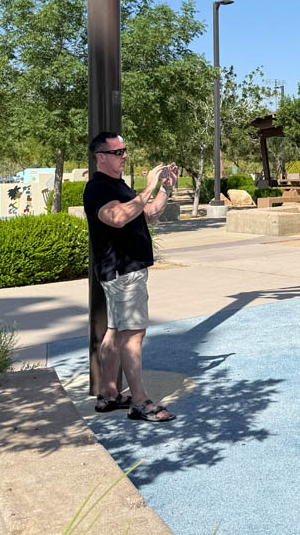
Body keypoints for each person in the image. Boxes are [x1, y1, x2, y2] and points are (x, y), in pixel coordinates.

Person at [83, 132, 179, 422]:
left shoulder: (118, 185)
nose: (124, 156)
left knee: (115, 332)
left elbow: (147, 213)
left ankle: (109, 394)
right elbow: (117, 218)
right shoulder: (98, 187)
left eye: (125, 151)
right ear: (101, 156)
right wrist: (149, 185)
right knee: (132, 335)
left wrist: (164, 189)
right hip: (122, 272)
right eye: (118, 152)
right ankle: (139, 401)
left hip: (126, 271)